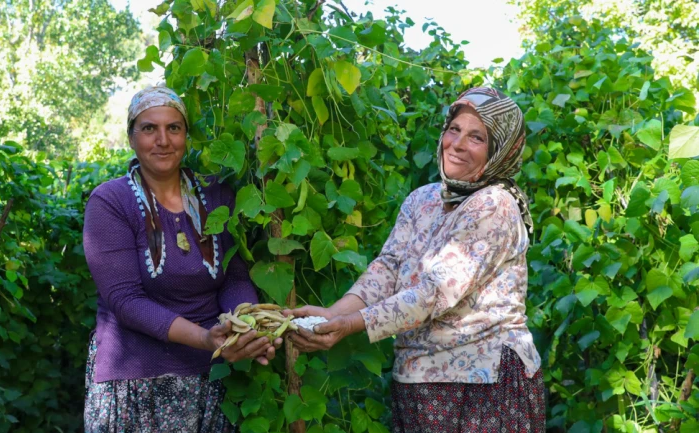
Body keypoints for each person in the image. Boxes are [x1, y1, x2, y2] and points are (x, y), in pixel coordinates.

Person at [288, 87, 545, 432]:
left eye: (477, 137)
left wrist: (350, 325)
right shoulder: (423, 199)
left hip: (484, 385)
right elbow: (388, 267)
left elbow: (435, 292)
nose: (456, 143)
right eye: (454, 129)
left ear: (499, 151)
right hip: (417, 381)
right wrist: (334, 313)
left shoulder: (494, 205)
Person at [82, 86, 280, 432]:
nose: (163, 140)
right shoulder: (111, 202)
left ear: (186, 135)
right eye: (149, 128)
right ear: (131, 137)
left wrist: (244, 327)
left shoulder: (217, 194)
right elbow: (125, 300)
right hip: (137, 380)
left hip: (211, 377)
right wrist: (206, 339)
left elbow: (234, 278)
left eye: (174, 128)